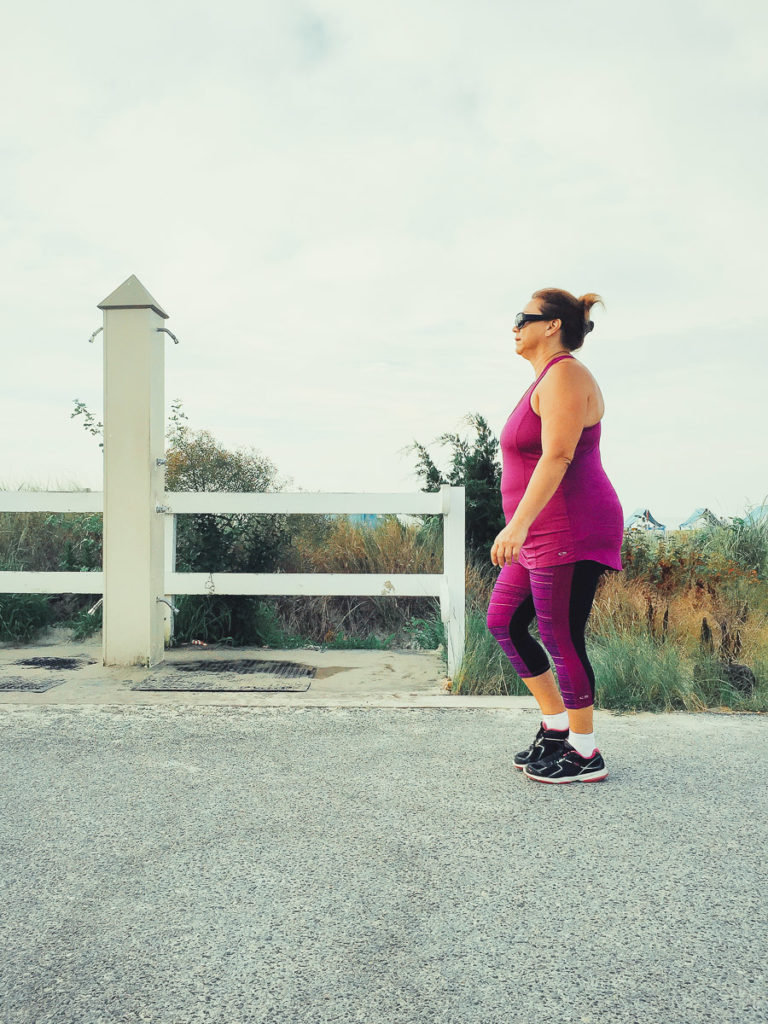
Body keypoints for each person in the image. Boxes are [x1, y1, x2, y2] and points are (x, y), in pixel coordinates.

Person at [486, 288, 623, 783]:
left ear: (551, 326)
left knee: (560, 634)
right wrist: (523, 528)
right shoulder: (543, 380)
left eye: (523, 317)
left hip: (570, 525)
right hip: (538, 533)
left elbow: (558, 456)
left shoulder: (566, 374)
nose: (514, 325)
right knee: (503, 622)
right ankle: (557, 726)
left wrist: (516, 524)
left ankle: (586, 753)